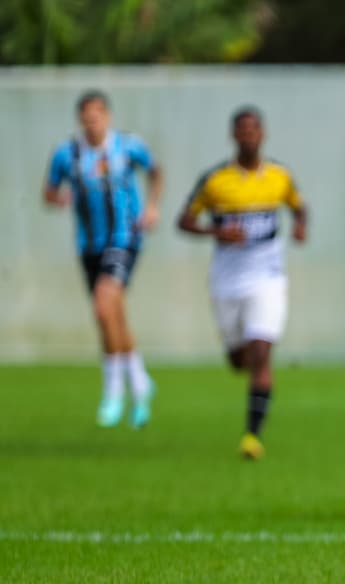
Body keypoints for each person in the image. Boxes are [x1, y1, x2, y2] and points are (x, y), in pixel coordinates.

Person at [179, 107, 307, 460]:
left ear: (262, 134)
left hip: (267, 277)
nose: (249, 135)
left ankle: (252, 435)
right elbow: (183, 220)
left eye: (254, 129)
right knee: (240, 359)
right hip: (226, 280)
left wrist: (299, 226)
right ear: (233, 136)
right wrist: (217, 231)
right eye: (242, 130)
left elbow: (299, 206)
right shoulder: (216, 180)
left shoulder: (279, 176)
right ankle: (254, 378)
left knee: (262, 351)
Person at [44, 90, 161, 429]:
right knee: (112, 316)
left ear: (107, 116)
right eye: (86, 115)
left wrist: (152, 206)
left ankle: (113, 391)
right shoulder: (68, 154)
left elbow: (156, 171)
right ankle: (140, 382)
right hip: (89, 245)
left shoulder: (128, 146)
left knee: (103, 305)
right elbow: (48, 190)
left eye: (97, 114)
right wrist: (58, 198)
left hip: (124, 239)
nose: (91, 120)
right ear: (80, 119)